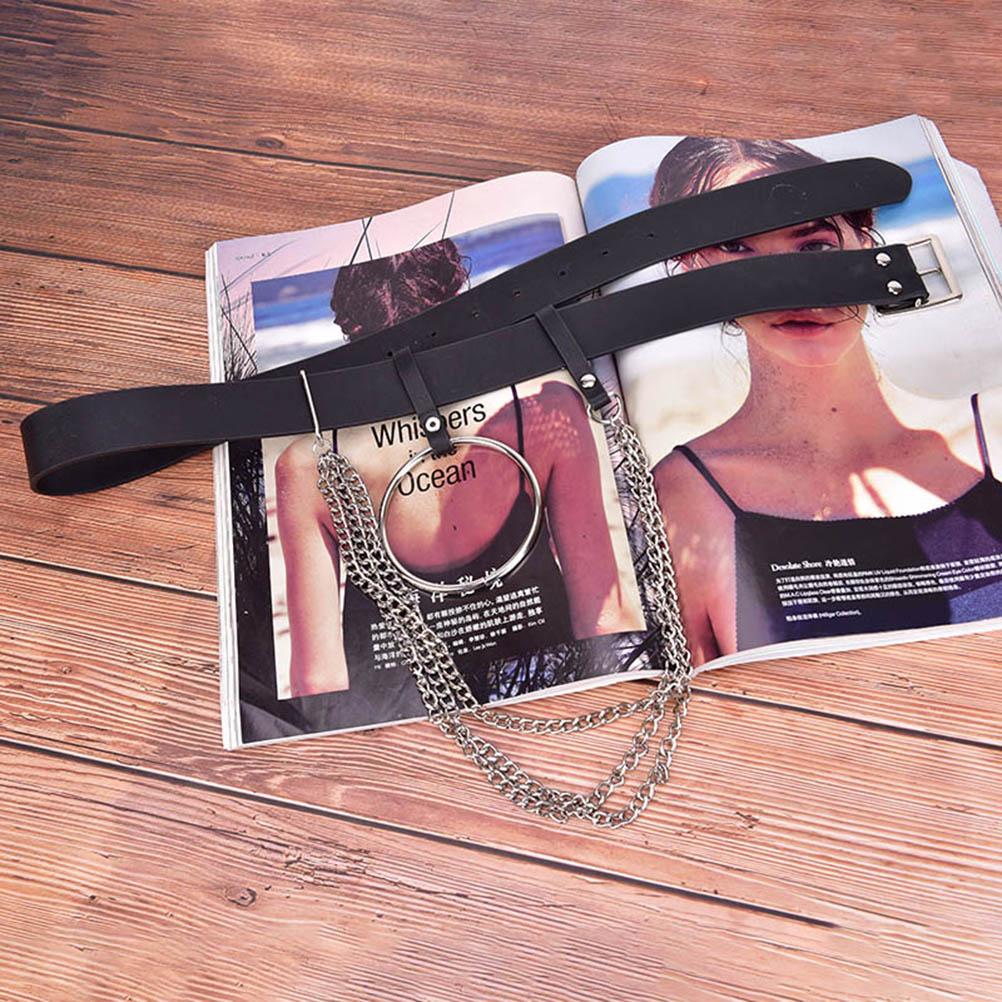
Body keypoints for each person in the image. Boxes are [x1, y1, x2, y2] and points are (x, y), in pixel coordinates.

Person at [648, 137, 1002, 666]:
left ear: (866, 242)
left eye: (814, 248)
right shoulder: (684, 492)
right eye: (738, 250)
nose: (795, 289)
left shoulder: (991, 428)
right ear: (693, 270)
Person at [273, 237, 640, 712]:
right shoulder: (544, 416)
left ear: (353, 332)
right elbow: (604, 617)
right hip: (549, 689)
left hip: (402, 712)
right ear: (458, 303)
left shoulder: (309, 466)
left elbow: (317, 679)